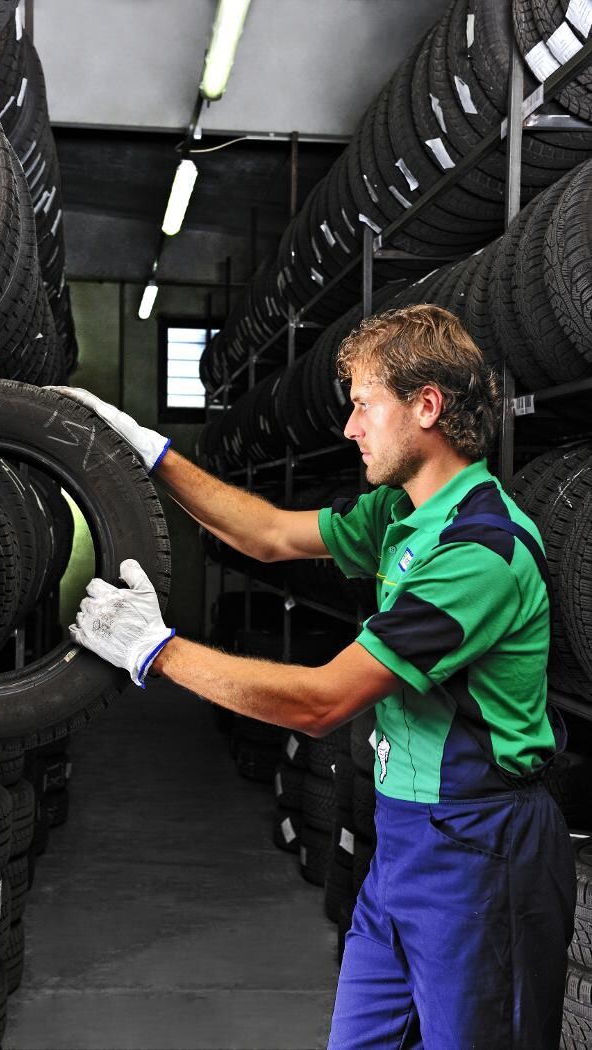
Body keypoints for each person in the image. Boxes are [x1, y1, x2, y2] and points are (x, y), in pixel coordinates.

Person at [52, 304, 576, 1049]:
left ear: (427, 406)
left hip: (480, 853)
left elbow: (323, 702)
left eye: (364, 405)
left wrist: (156, 651)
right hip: (402, 843)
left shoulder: (479, 553)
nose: (349, 428)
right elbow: (266, 534)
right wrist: (150, 454)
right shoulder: (402, 512)